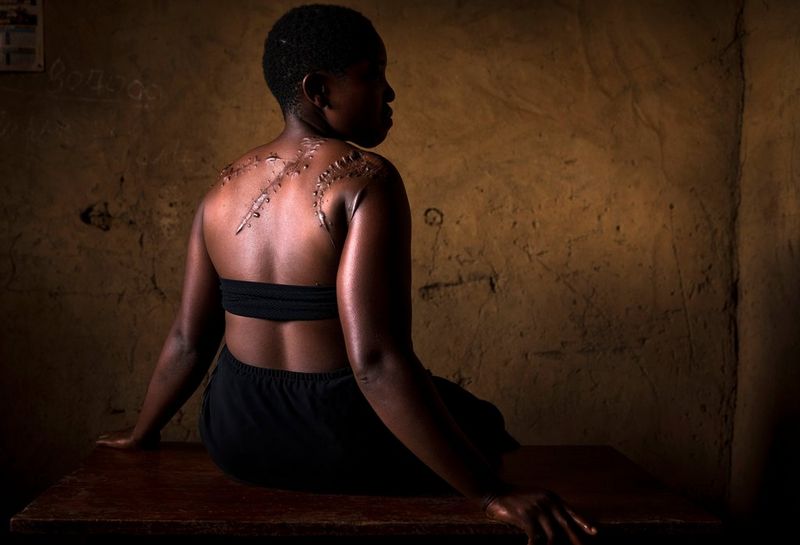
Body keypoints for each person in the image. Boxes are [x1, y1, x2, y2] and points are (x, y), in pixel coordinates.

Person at [97, 5, 598, 544]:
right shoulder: (364, 180)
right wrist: (491, 494)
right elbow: (376, 362)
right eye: (371, 73)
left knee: (461, 412)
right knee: (482, 426)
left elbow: (188, 340)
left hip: (236, 435)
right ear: (319, 89)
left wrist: (141, 434)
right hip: (337, 438)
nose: (390, 93)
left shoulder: (222, 187)